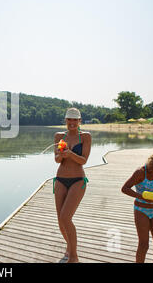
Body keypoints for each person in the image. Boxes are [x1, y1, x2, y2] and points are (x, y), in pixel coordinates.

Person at [53, 108, 91, 263]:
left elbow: (83, 161)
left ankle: (74, 256)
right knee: (60, 220)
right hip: (60, 179)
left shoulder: (85, 137)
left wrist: (70, 154)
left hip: (78, 180)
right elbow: (56, 160)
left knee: (66, 217)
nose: (72, 123)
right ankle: (69, 246)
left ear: (80, 121)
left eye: (75, 120)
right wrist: (61, 155)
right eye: (70, 119)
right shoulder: (59, 136)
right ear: (65, 120)